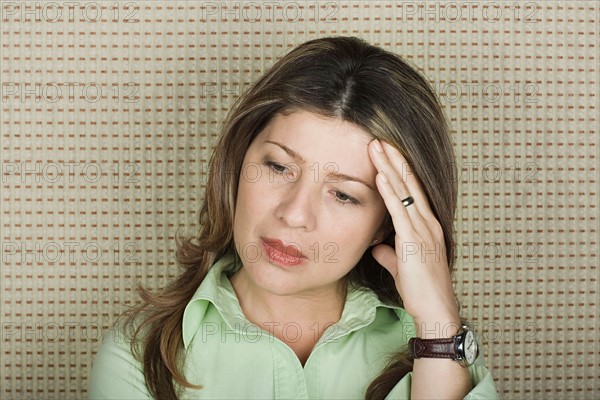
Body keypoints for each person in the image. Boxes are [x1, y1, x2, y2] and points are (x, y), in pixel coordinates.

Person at [88, 36, 499, 399]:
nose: (294, 214)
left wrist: (439, 329)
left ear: (387, 223)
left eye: (343, 194)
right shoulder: (138, 356)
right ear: (239, 161)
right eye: (279, 167)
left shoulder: (438, 347)